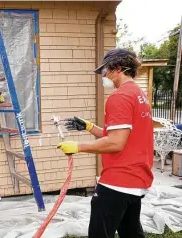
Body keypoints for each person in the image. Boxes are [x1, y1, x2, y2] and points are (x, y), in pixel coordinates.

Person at [57, 48, 154, 238]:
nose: (103, 75)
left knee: (99, 234)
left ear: (117, 69)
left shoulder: (120, 97)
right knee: (130, 232)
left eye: (105, 70)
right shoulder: (138, 94)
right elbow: (122, 136)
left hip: (118, 180)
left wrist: (78, 147)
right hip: (135, 179)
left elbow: (116, 143)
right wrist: (89, 126)